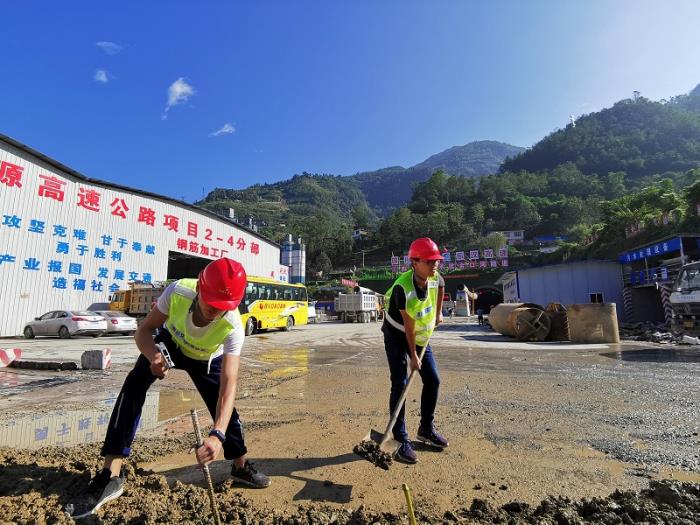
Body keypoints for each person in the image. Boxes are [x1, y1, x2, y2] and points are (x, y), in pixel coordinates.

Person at [66, 258, 270, 519]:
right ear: (200, 288)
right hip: (170, 344)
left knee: (225, 410)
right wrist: (153, 355)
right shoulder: (178, 292)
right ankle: (110, 474)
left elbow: (229, 386)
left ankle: (240, 467)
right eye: (211, 302)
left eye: (223, 307)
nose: (214, 311)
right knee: (134, 383)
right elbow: (144, 330)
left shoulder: (232, 326)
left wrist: (217, 435)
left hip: (206, 358)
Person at [382, 237, 449, 464]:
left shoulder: (435, 277)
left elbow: (441, 286)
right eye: (429, 261)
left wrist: (439, 312)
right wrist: (413, 356)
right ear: (414, 262)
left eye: (436, 260)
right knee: (400, 383)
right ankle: (400, 438)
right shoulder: (403, 288)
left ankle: (426, 428)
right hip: (397, 335)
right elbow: (408, 326)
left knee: (433, 380)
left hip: (420, 335)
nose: (435, 265)